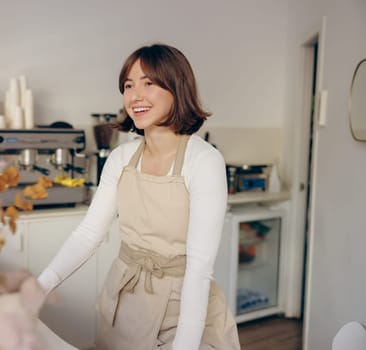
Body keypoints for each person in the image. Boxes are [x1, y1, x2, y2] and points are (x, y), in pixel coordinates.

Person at [37, 43, 240, 350]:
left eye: (149, 83)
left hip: (183, 309)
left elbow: (199, 268)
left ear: (177, 88)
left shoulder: (204, 161)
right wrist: (39, 287)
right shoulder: (121, 158)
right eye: (129, 85)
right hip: (125, 301)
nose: (135, 96)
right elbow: (90, 233)